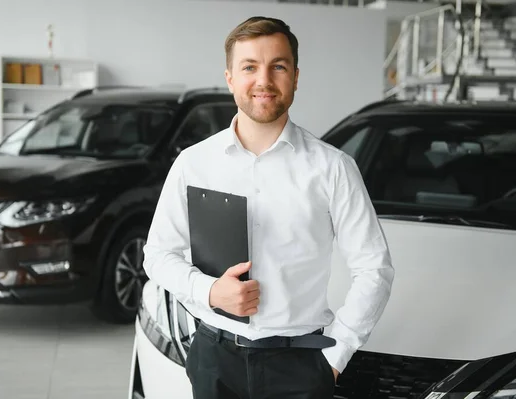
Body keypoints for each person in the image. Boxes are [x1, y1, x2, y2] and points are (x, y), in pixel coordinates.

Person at [143, 16, 395, 399]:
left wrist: (336, 356)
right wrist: (209, 291)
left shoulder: (333, 168)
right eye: (249, 67)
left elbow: (374, 269)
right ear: (230, 77)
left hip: (300, 367)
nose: (264, 80)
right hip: (213, 358)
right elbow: (157, 255)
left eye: (278, 66)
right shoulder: (193, 164)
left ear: (295, 76)